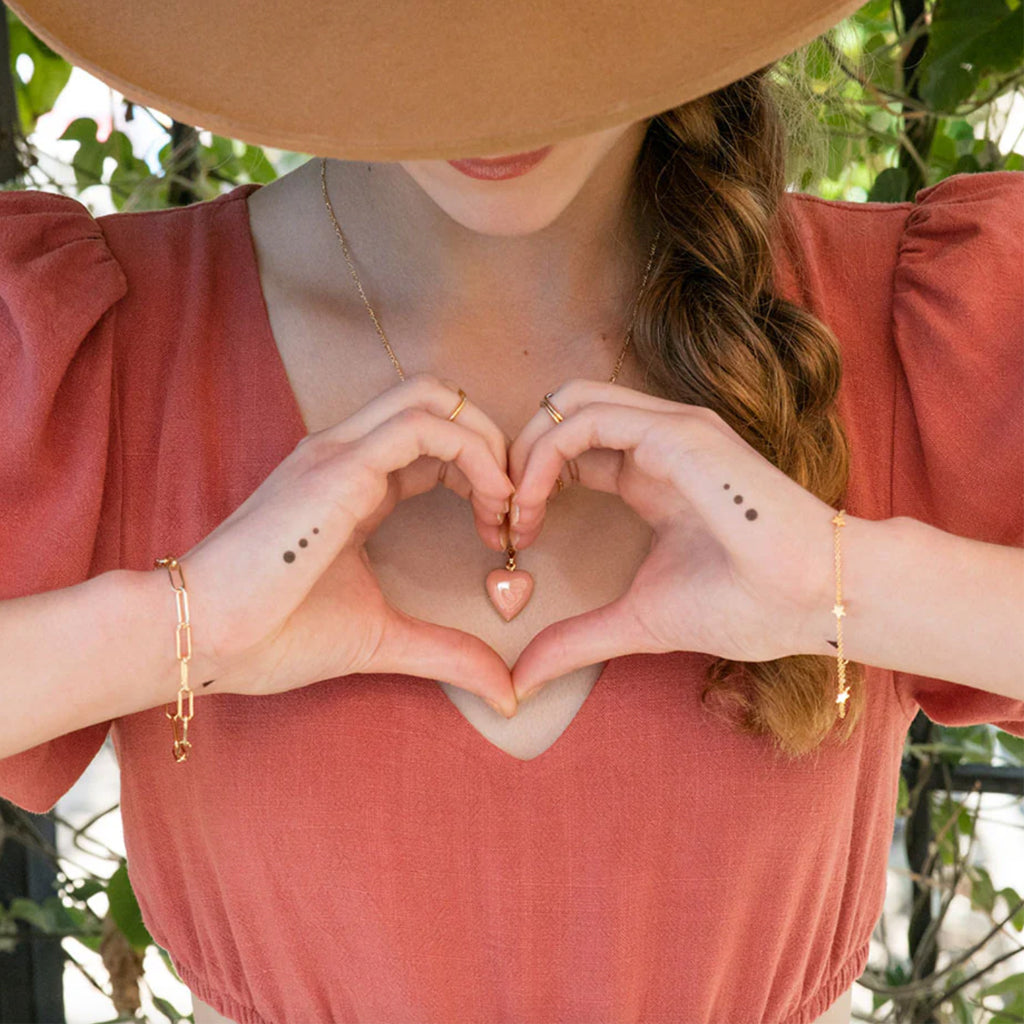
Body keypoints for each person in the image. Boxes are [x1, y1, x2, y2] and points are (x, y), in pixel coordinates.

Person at [1, 0, 1022, 1021]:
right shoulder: (95, 348)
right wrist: (185, 623)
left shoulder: (921, 320)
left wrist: (843, 581)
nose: (487, 91)